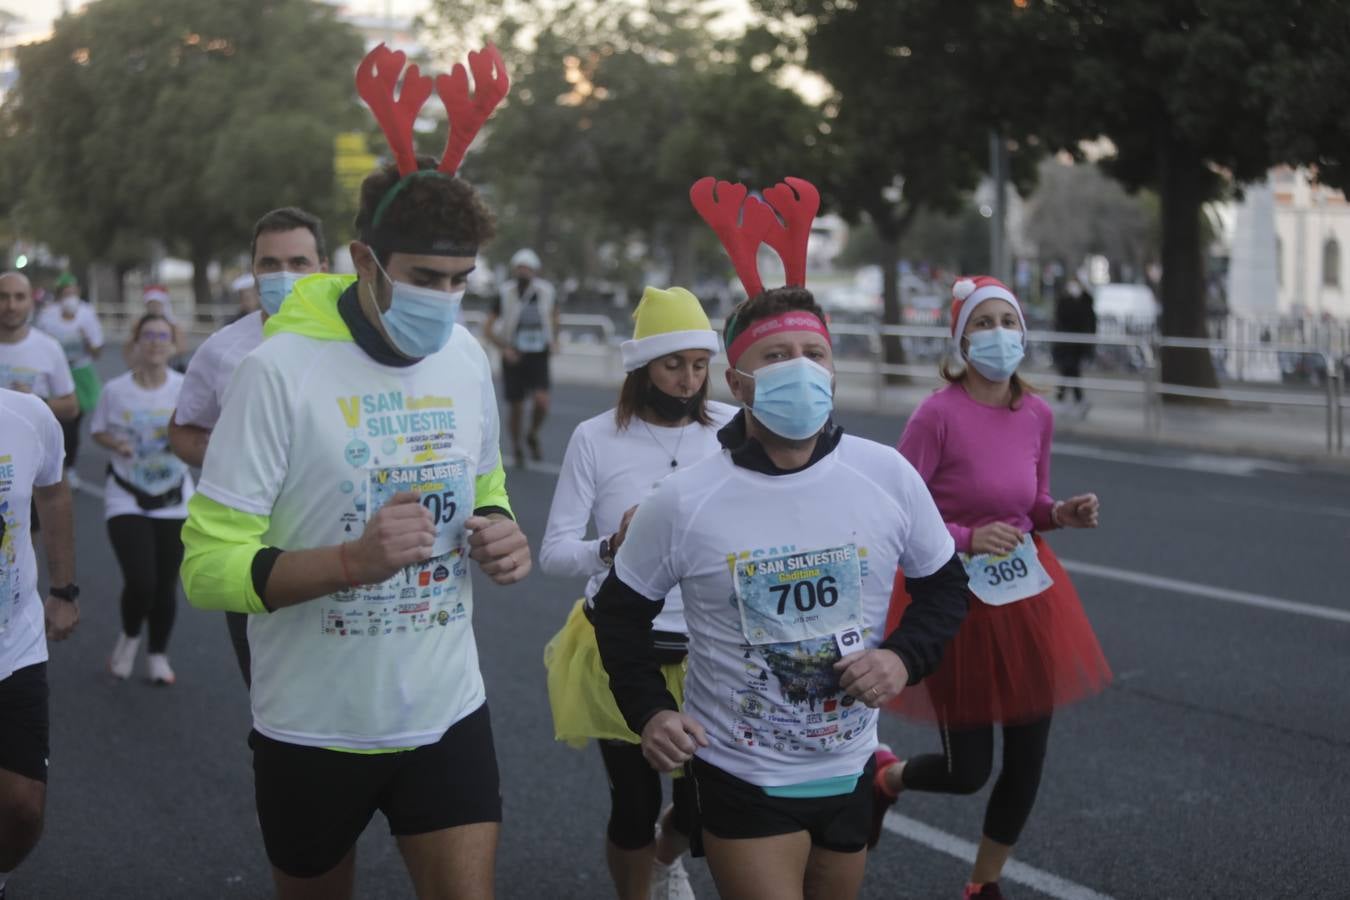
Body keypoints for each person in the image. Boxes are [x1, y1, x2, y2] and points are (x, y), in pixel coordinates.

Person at [179, 43, 527, 900]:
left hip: (445, 709)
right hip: (311, 726)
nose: (444, 300)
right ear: (365, 262)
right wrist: (352, 564)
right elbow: (208, 567)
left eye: (460, 280)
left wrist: (501, 531)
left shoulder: (467, 362)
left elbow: (483, 486)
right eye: (424, 278)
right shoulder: (277, 372)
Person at [592, 176, 970, 900]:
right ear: (736, 381)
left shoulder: (884, 474)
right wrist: (650, 712)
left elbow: (943, 586)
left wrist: (900, 658)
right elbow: (618, 613)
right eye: (775, 356)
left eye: (814, 353)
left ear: (834, 369)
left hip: (851, 763)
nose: (799, 368)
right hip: (741, 773)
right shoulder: (686, 500)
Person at [872, 276, 1111, 900]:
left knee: (1028, 756)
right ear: (959, 338)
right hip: (956, 601)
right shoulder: (936, 416)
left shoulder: (1036, 413)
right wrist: (963, 537)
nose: (998, 334)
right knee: (965, 770)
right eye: (983, 322)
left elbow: (1030, 501)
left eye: (1008, 320)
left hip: (1028, 593)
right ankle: (886, 781)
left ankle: (985, 882)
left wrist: (1060, 514)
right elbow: (896, 510)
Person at [540, 285, 731, 900]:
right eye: (673, 363)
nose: (688, 379)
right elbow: (553, 553)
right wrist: (609, 547)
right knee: (634, 800)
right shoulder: (595, 438)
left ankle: (665, 857)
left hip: (715, 649)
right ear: (640, 366)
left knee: (707, 803)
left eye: (699, 365)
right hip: (624, 648)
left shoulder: (734, 429)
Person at [169, 206, 329, 687]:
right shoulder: (222, 350)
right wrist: (238, 461)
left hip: (338, 542)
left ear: (323, 267)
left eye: (299, 263)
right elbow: (182, 431)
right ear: (254, 270)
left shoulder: (354, 343)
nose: (284, 275)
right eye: (270, 264)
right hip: (254, 553)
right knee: (268, 694)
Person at [0, 387, 80, 900]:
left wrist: (64, 590)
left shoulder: (25, 415)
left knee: (24, 809)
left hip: (14, 642)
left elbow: (53, 493)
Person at [90, 314, 195, 684]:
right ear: (135, 342)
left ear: (173, 343)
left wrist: (182, 445)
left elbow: (203, 437)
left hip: (174, 496)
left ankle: (157, 656)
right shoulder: (115, 391)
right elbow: (98, 431)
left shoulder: (187, 389)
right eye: (147, 335)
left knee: (165, 584)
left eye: (162, 335)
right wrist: (114, 443)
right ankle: (131, 636)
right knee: (141, 580)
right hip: (126, 495)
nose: (155, 342)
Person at [485, 248, 558, 467]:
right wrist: (504, 348)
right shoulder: (504, 292)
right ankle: (517, 447)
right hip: (513, 353)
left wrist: (555, 338)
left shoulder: (546, 291)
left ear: (535, 271)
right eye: (519, 268)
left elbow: (555, 316)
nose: (523, 272)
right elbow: (487, 327)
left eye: (527, 268)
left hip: (538, 354)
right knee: (516, 406)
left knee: (542, 402)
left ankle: (532, 433)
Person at [35, 273, 105, 480]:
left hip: (80, 372)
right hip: (55, 374)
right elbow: (39, 347)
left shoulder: (87, 314)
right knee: (58, 422)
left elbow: (97, 352)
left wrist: (86, 339)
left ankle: (70, 467)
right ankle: (51, 463)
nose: (71, 298)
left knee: (74, 421)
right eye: (66, 294)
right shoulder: (48, 316)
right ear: (58, 296)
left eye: (74, 293)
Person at [0, 272, 78, 425]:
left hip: (32, 445)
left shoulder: (49, 347)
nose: (11, 306)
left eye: (20, 297)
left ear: (31, 303)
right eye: (3, 297)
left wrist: (35, 402)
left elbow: (71, 407)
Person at [1051, 279, 1096, 410]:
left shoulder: (1084, 302)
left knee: (1069, 371)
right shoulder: (1064, 302)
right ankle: (1076, 399)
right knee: (1070, 371)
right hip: (1066, 345)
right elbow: (1060, 318)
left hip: (1078, 346)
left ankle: (1066, 399)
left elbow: (1089, 310)